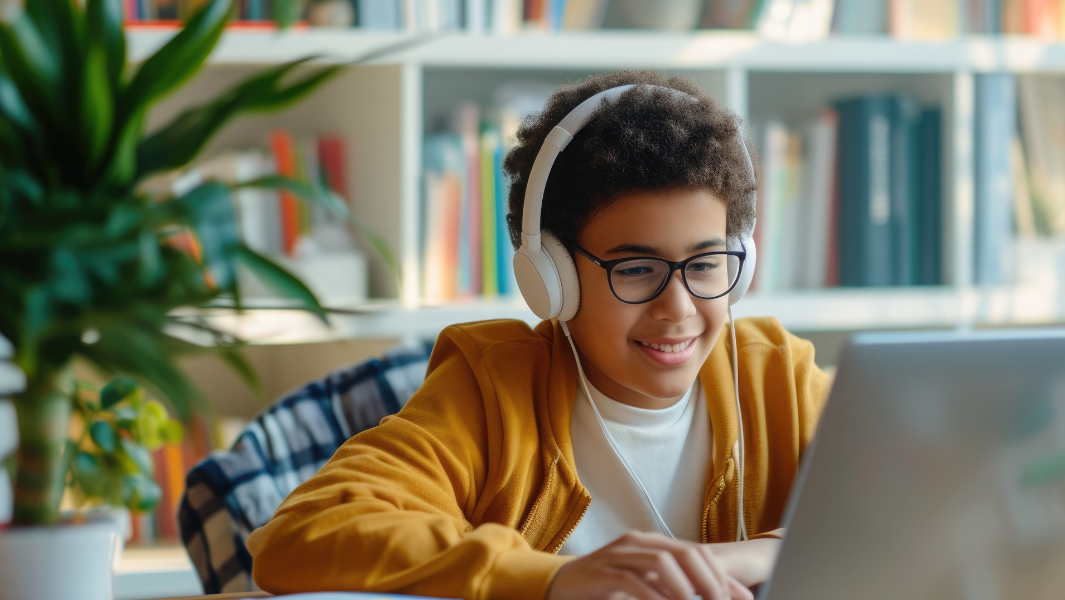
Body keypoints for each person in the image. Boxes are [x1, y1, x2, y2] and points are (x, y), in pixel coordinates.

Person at [246, 70, 830, 600]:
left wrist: (764, 551)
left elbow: (914, 503)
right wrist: (553, 577)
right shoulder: (493, 391)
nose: (678, 308)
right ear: (552, 279)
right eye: (634, 269)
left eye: (704, 265)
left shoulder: (777, 377)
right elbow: (306, 533)